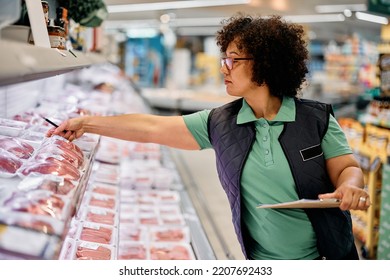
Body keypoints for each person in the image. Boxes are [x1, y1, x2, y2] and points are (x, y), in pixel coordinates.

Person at [47, 14, 370, 260]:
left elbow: (345, 167)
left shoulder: (315, 118)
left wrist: (350, 186)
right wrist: (88, 123)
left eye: (233, 59)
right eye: (224, 59)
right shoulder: (222, 122)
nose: (224, 68)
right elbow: (152, 128)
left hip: (325, 257)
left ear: (266, 63)